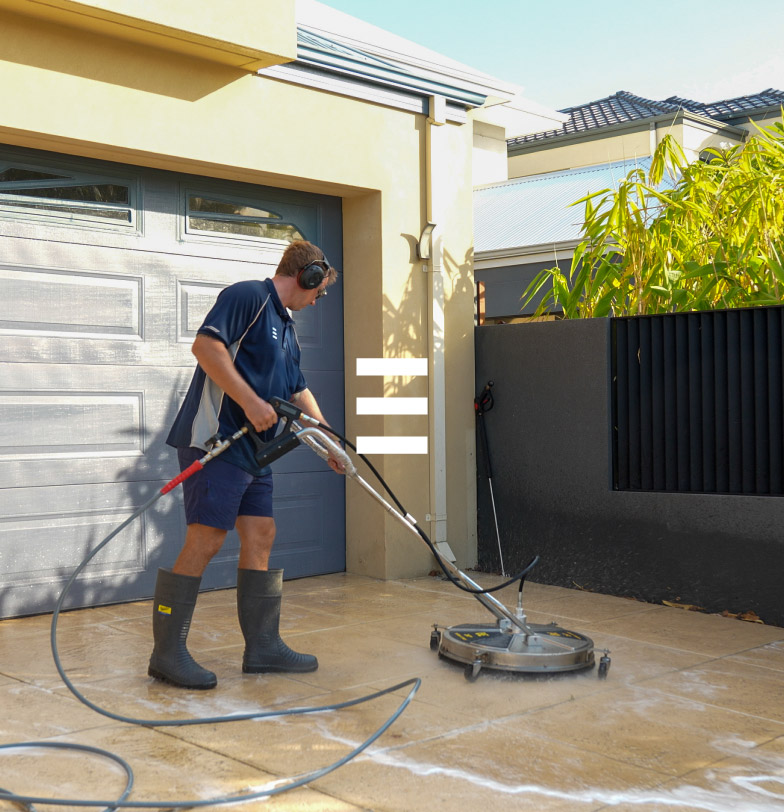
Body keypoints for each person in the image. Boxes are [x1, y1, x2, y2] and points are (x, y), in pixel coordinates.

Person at [148, 240, 344, 689]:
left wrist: (327, 438)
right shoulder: (248, 297)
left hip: (254, 452)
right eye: (320, 290)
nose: (318, 300)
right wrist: (251, 402)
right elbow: (206, 347)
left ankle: (263, 647)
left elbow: (298, 392)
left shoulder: (287, 329)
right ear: (307, 277)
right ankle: (166, 652)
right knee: (207, 538)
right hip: (216, 443)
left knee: (261, 533)